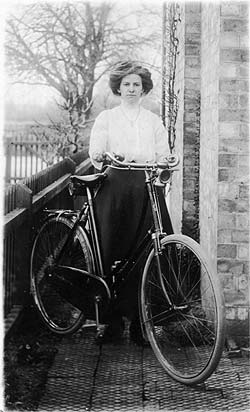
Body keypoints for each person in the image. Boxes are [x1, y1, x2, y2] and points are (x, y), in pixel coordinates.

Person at [89, 60, 173, 345]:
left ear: (144, 88)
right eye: (126, 84)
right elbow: (96, 151)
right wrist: (103, 154)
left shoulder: (152, 120)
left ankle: (141, 324)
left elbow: (164, 154)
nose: (131, 89)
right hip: (115, 188)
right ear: (118, 88)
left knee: (148, 254)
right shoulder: (108, 119)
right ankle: (110, 324)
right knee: (111, 250)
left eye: (137, 84)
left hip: (146, 188)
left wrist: (164, 169)